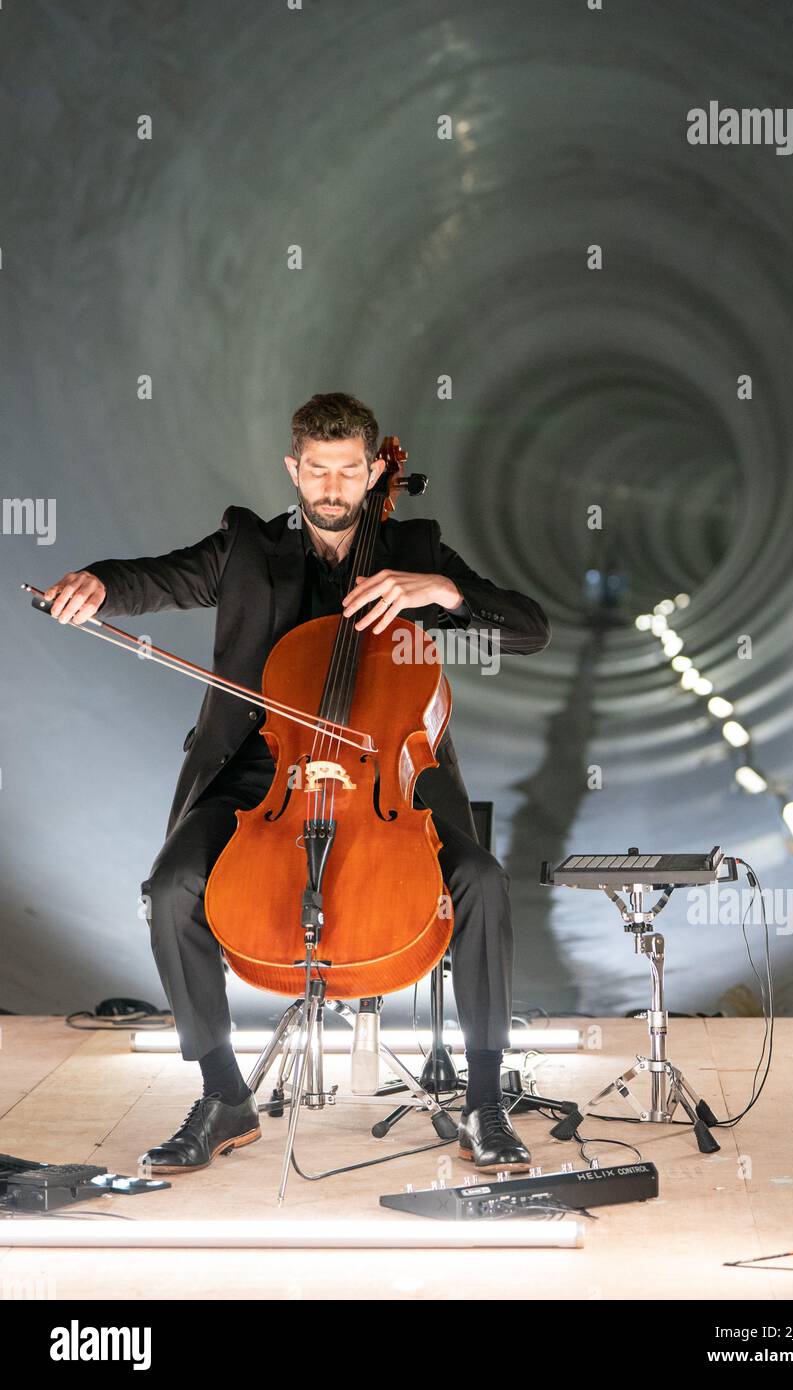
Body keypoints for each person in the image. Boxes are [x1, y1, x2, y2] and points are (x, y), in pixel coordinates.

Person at [43, 392, 551, 1175]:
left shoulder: (415, 545)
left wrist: (442, 593)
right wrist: (98, 585)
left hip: (385, 770)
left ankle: (484, 1102)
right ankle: (224, 1095)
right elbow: (159, 579)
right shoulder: (247, 544)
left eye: (350, 470)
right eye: (318, 470)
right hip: (263, 768)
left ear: (376, 468)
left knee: (481, 880)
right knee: (172, 886)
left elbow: (526, 628)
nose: (333, 487)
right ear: (295, 469)